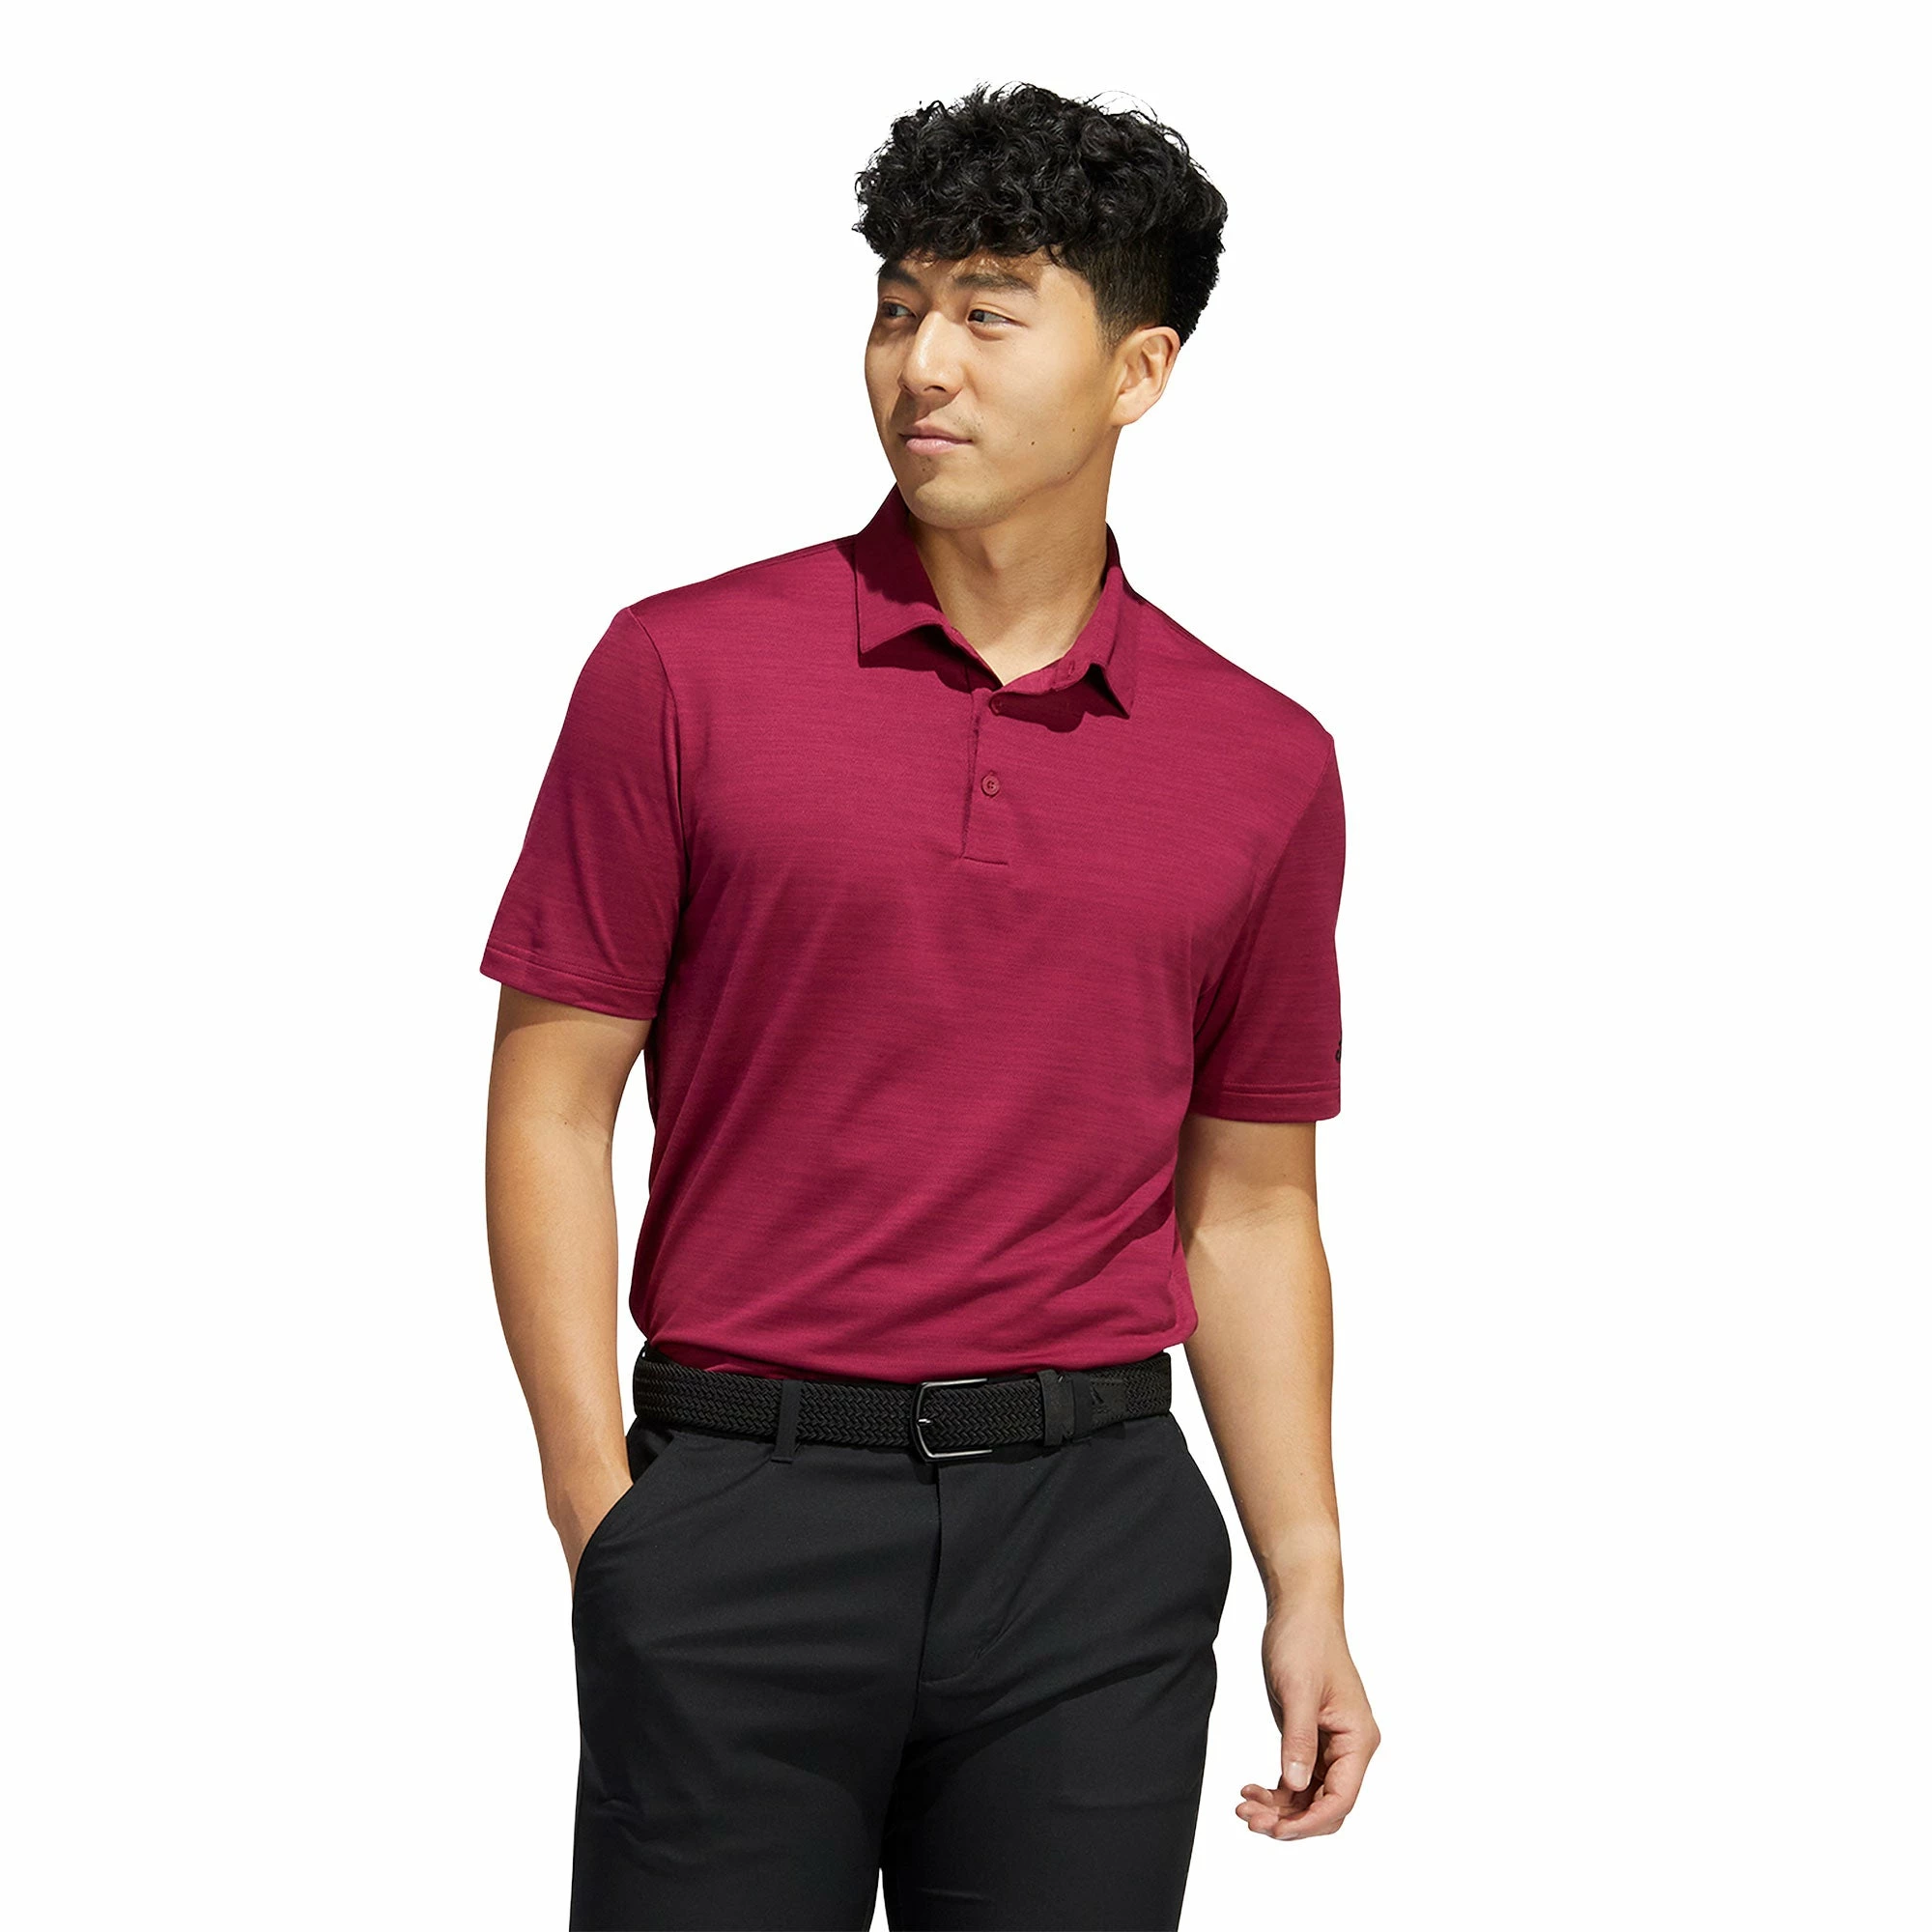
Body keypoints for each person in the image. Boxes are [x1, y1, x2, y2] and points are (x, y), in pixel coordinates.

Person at [481, 79, 1378, 1932]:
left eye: (987, 310)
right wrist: (602, 1517)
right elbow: (552, 1106)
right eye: (897, 307)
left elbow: (1250, 1206)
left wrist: (1308, 1577)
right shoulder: (681, 672)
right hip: (741, 1506)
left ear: (1138, 370)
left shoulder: (1263, 761)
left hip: (1095, 1538)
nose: (922, 365)